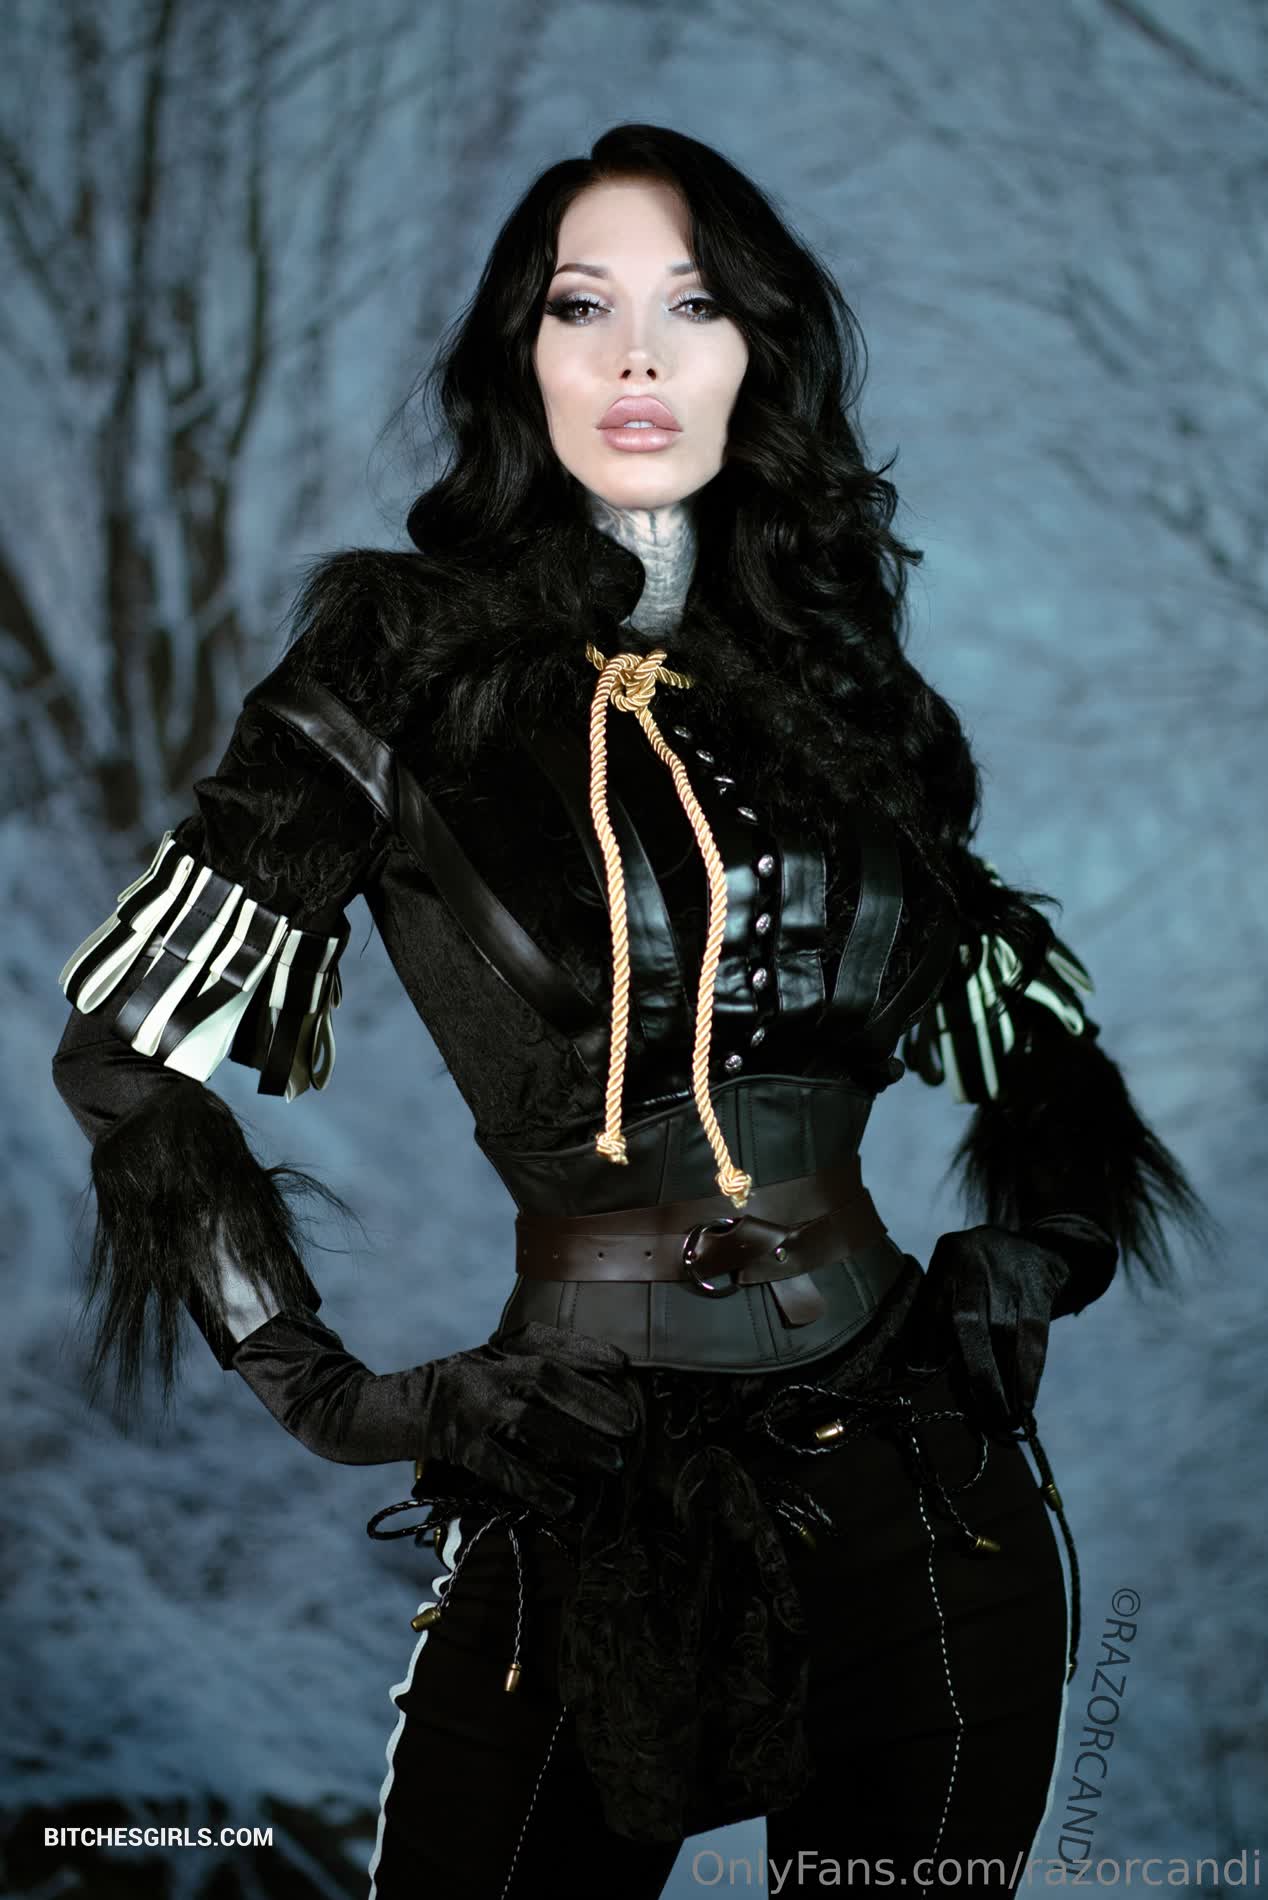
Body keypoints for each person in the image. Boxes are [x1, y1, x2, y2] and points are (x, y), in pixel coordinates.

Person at [51, 124, 1219, 1899]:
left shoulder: (851, 696)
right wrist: (337, 1398)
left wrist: (1040, 1245)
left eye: (695, 306)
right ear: (519, 355)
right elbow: (124, 1055)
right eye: (581, 306)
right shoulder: (400, 667)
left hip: (932, 1507)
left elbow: (1034, 1040)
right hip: (581, 1484)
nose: (639, 358)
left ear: (761, 350)